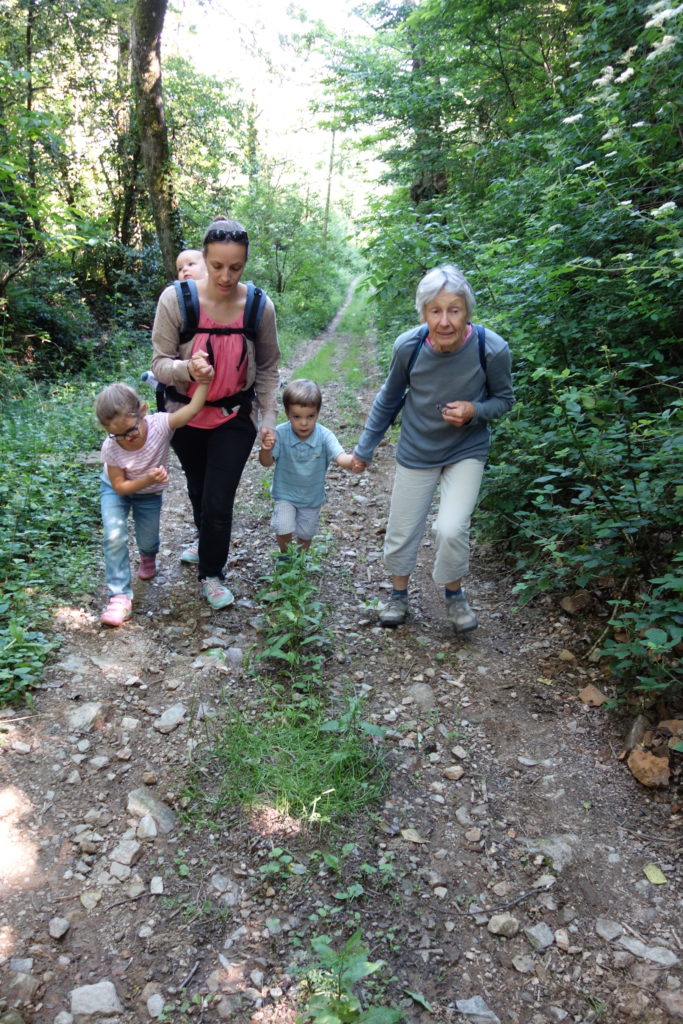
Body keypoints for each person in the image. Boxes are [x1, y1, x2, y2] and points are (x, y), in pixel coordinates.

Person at [350, 265, 514, 631]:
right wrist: (364, 449)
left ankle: (454, 596)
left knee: (451, 528)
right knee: (402, 530)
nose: (444, 321)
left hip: (465, 448)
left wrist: (474, 411)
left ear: (467, 312)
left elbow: (504, 400)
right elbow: (388, 399)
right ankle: (398, 595)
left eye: (454, 310)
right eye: (435, 310)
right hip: (417, 448)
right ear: (423, 313)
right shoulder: (409, 347)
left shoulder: (491, 348)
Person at [151, 215, 280, 609]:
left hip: (234, 416)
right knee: (198, 489)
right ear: (204, 259)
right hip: (184, 414)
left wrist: (269, 419)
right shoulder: (176, 300)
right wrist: (186, 370)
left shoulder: (258, 306)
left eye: (235, 267)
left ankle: (212, 573)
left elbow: (269, 367)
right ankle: (204, 538)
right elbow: (159, 363)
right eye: (217, 265)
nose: (226, 276)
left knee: (219, 501)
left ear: (246, 263)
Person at [96, 380, 209, 627]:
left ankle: (148, 556)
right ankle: (119, 596)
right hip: (116, 490)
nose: (127, 438)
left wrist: (204, 382)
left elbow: (192, 410)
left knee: (147, 538)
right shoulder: (111, 447)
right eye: (118, 434)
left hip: (149, 494)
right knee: (114, 536)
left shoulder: (160, 424)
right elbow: (120, 486)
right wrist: (147, 478)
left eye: (131, 430)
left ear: (143, 411)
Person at [259, 379, 357, 553]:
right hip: (285, 494)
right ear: (287, 413)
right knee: (283, 527)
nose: (303, 423)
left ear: (317, 413)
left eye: (310, 416)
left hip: (311, 498)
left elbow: (340, 457)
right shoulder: (280, 433)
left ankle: (300, 560)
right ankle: (286, 557)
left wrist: (354, 460)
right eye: (297, 417)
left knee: (306, 533)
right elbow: (266, 463)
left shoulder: (325, 436)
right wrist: (266, 450)